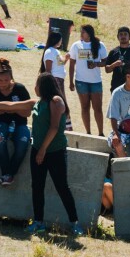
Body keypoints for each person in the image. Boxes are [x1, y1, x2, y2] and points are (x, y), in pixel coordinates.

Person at [23, 73, 84, 235]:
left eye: (36, 84)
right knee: (37, 186)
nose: (34, 88)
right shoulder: (37, 103)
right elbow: (10, 105)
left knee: (62, 187)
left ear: (43, 86)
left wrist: (42, 150)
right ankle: (38, 222)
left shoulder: (56, 101)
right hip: (37, 149)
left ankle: (75, 223)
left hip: (54, 151)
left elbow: (54, 128)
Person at [68, 24, 108, 136]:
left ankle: (100, 132)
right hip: (81, 81)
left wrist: (96, 64)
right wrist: (70, 81)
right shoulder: (76, 45)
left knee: (97, 108)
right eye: (81, 31)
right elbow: (72, 63)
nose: (81, 34)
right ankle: (88, 132)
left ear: (89, 33)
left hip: (95, 81)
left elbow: (106, 61)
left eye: (83, 32)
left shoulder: (100, 45)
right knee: (85, 107)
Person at [41, 31, 70, 103]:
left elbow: (60, 64)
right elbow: (48, 69)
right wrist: (51, 82)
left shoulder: (56, 51)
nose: (61, 41)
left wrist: (66, 58)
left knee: (62, 102)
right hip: (55, 80)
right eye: (61, 39)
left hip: (59, 80)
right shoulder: (50, 51)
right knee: (59, 102)